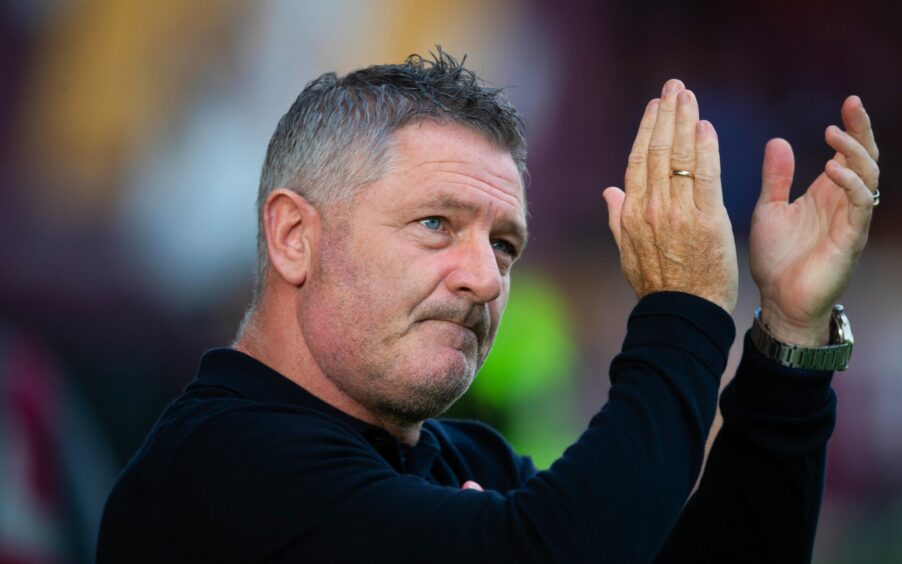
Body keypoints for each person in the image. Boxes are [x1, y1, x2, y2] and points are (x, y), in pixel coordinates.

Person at [96, 51, 880, 563]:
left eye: (505, 244)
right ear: (295, 236)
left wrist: (789, 339)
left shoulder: (465, 465)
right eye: (435, 224)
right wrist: (684, 309)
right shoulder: (224, 465)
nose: (485, 277)